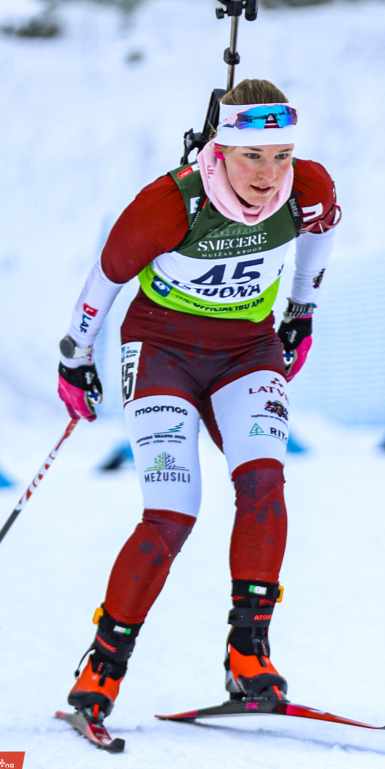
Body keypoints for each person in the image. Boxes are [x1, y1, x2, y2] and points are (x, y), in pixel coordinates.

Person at [57, 79, 341, 723]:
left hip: (247, 350)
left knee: (264, 482)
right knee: (172, 511)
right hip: (163, 353)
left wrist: (301, 311)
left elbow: (322, 235)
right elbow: (105, 279)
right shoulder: (169, 203)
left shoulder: (308, 187)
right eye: (252, 156)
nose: (269, 175)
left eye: (282, 155)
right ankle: (104, 665)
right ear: (222, 148)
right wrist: (76, 355)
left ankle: (249, 654)